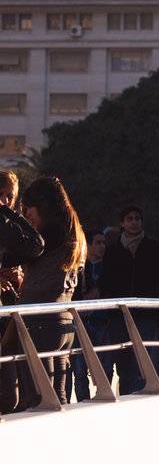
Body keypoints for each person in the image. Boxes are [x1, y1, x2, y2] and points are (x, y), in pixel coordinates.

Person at [14, 175, 85, 409]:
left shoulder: (49, 233)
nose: (27, 215)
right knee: (59, 397)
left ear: (42, 206)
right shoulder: (72, 231)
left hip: (39, 322)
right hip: (63, 321)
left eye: (28, 209)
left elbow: (22, 252)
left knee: (37, 398)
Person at [98, 204, 159, 394]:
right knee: (122, 364)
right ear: (122, 223)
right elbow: (105, 282)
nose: (134, 222)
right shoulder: (113, 250)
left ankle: (137, 399)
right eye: (129, 219)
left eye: (137, 218)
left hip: (145, 314)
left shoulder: (153, 247)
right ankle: (125, 399)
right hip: (118, 316)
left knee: (140, 363)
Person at [0, 170, 45, 413]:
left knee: (11, 393)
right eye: (0, 195)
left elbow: (35, 245)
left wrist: (8, 213)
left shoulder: (7, 223)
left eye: (10, 197)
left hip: (9, 309)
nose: (5, 201)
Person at [71, 229, 109, 402]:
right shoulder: (79, 266)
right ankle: (82, 401)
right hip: (82, 322)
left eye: (104, 242)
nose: (102, 246)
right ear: (89, 245)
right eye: (98, 242)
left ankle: (104, 397)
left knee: (105, 365)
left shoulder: (109, 266)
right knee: (79, 368)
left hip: (103, 321)